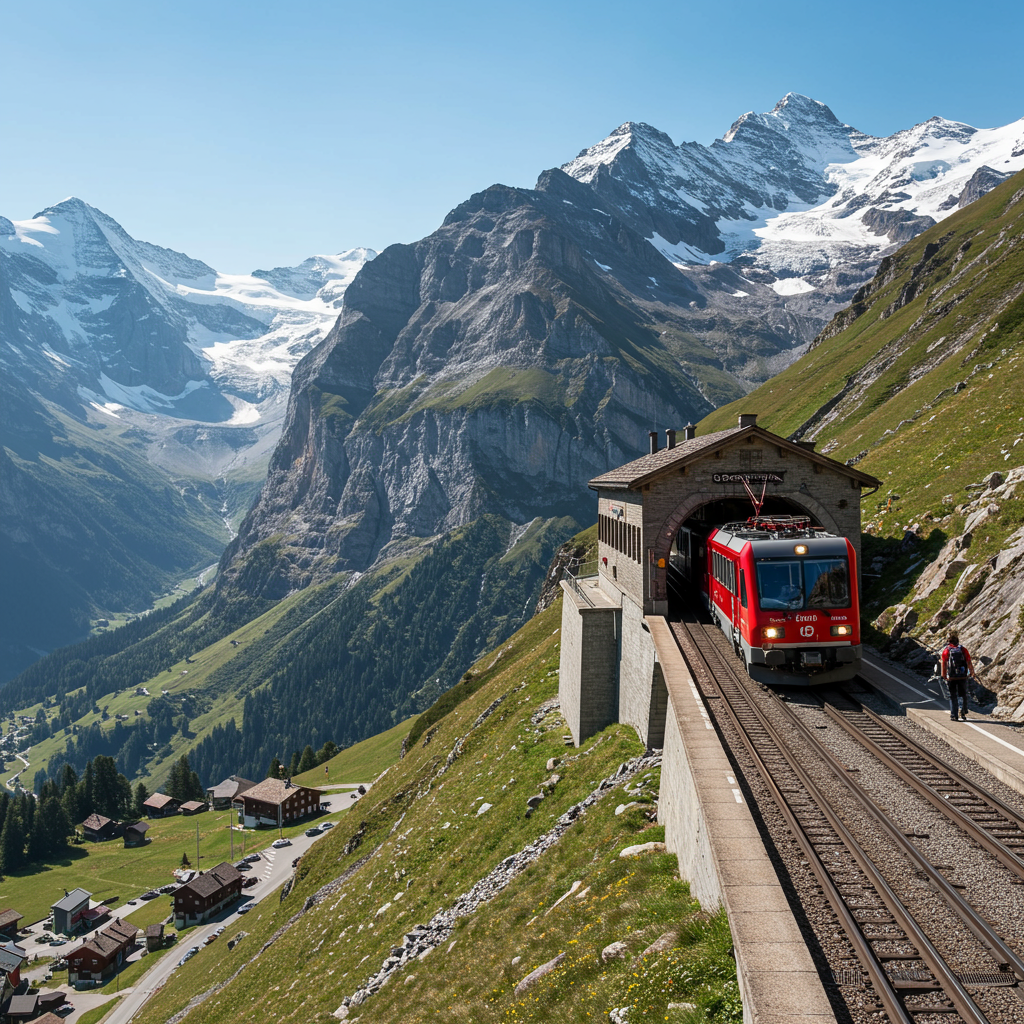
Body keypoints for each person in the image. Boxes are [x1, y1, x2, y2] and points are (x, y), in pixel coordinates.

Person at [940, 632, 974, 721]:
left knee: (952, 695)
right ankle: (963, 712)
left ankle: (954, 715)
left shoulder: (947, 650)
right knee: (963, 694)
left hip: (951, 677)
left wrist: (943, 674)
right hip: (962, 676)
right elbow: (969, 661)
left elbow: (944, 663)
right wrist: (972, 672)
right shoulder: (963, 649)